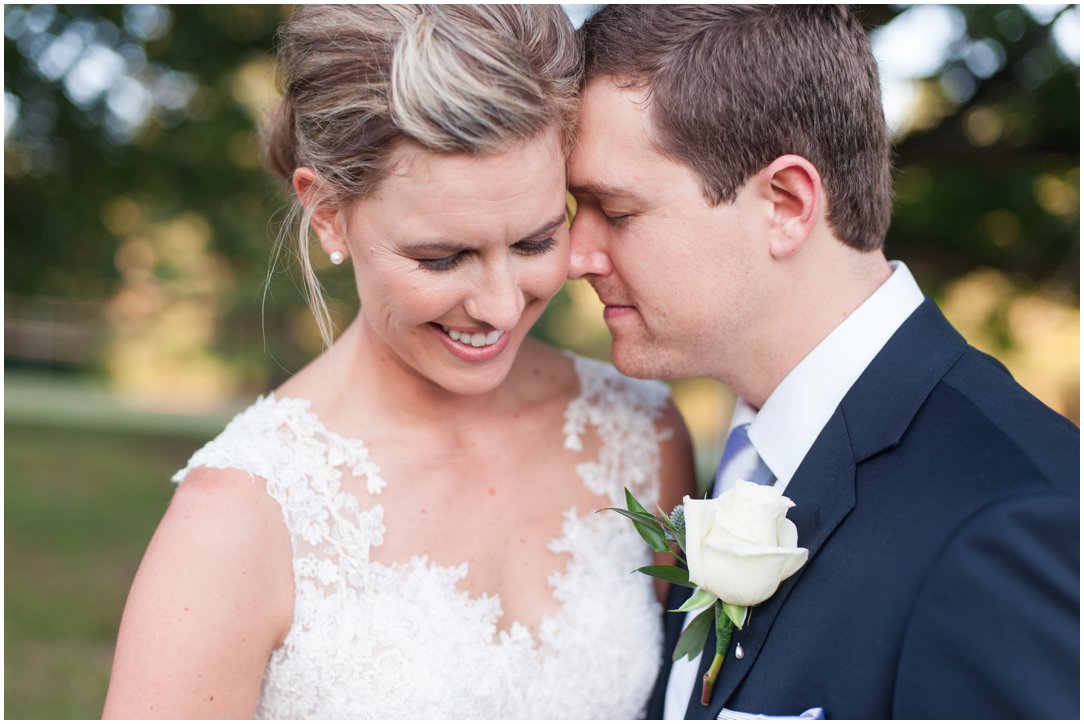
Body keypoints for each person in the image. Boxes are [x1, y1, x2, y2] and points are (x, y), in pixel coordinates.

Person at [102, 5, 696, 719]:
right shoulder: (236, 521)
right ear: (326, 212)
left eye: (537, 243)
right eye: (442, 257)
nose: (502, 307)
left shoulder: (641, 432)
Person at [568, 5, 1079, 720]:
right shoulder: (741, 456)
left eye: (614, 211)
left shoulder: (1016, 525)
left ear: (785, 202)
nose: (574, 256)